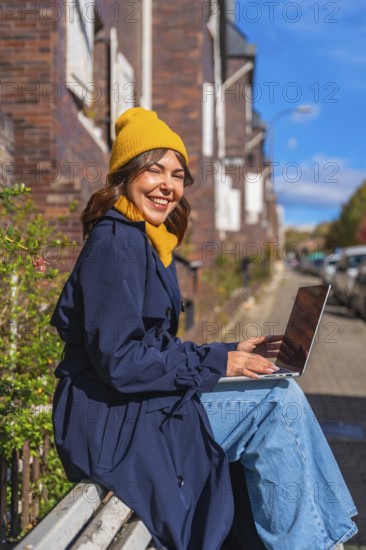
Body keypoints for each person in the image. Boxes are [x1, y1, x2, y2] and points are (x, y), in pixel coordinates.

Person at [51, 107, 357, 550]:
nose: (168, 186)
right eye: (154, 170)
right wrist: (219, 361)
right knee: (275, 401)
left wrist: (232, 350)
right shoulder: (116, 244)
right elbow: (120, 360)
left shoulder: (144, 240)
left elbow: (151, 349)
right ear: (125, 174)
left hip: (129, 407)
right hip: (109, 423)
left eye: (177, 175)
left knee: (277, 388)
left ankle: (321, 538)